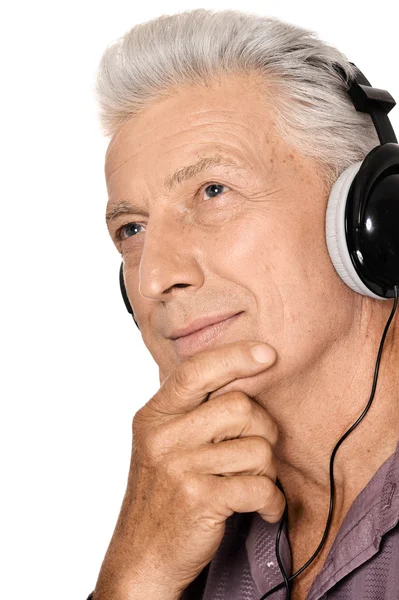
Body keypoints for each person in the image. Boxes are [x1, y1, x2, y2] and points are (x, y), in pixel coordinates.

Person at [88, 8, 399, 600]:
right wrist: (135, 577)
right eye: (132, 230)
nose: (156, 277)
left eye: (213, 192)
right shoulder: (179, 517)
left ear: (370, 219)